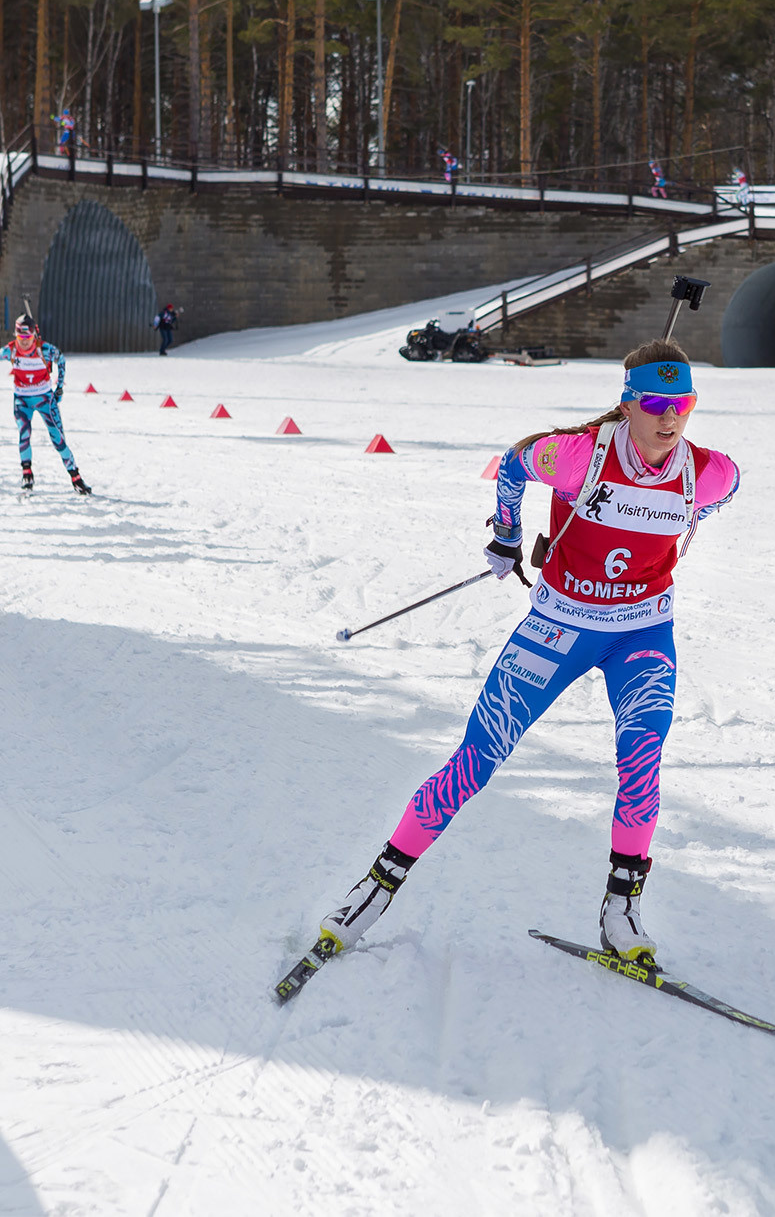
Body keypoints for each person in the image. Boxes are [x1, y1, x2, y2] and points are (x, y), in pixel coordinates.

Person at [307, 338, 740, 977]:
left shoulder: (708, 471)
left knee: (642, 761)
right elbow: (513, 463)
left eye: (683, 403)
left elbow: (724, 492)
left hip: (642, 632)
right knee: (476, 760)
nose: (669, 416)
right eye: (654, 402)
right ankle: (374, 887)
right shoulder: (577, 457)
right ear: (627, 404)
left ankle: (622, 906)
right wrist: (507, 536)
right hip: (558, 627)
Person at [0, 314, 89, 493]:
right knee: (24, 434)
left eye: (27, 337)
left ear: (34, 335)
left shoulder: (45, 350)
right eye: (20, 337)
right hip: (22, 399)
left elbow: (61, 360)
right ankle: (27, 474)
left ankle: (76, 477)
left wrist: (59, 387)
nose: (24, 342)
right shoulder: (11, 350)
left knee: (58, 438)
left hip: (44, 399)